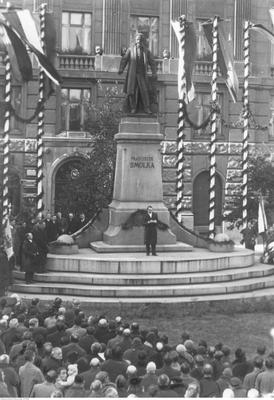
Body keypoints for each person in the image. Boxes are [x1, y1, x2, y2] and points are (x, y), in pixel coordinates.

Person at [118, 32, 157, 114]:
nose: (138, 41)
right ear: (135, 40)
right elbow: (124, 60)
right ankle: (133, 108)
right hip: (133, 75)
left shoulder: (146, 51)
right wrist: (121, 69)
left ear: (142, 40)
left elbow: (152, 62)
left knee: (145, 91)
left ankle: (147, 108)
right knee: (132, 91)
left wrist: (154, 72)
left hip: (142, 75)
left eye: (140, 39)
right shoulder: (130, 50)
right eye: (137, 39)